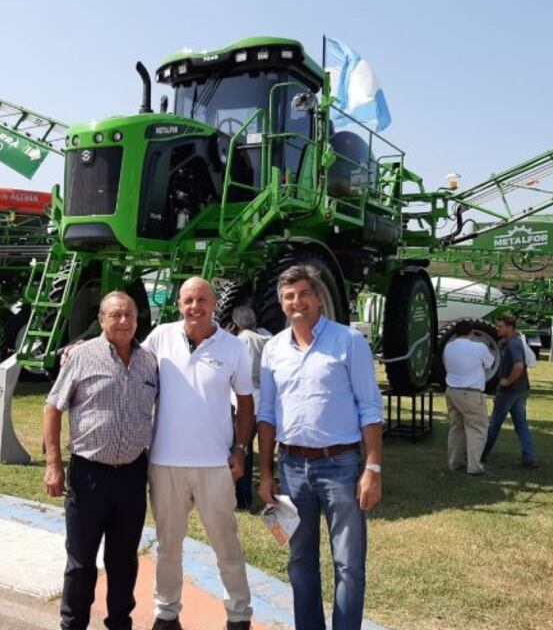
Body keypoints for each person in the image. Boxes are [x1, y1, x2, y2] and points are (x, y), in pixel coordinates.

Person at [257, 264, 383, 630]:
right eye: (289, 296)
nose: (297, 302)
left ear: (318, 298)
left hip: (341, 466)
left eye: (303, 294)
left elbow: (370, 407)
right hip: (292, 467)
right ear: (282, 303)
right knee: (300, 561)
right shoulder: (273, 349)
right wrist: (265, 473)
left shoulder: (348, 342)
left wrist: (372, 469)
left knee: (348, 564)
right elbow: (267, 414)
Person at [143, 277, 255, 630]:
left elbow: (246, 403)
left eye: (202, 299)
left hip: (214, 465)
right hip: (165, 463)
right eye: (188, 300)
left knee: (226, 545)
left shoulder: (233, 347)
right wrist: (80, 348)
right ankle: (166, 613)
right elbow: (126, 360)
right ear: (179, 304)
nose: (195, 306)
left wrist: (241, 449)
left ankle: (239, 615)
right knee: (168, 546)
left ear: (214, 304)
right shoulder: (160, 337)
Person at [43, 291, 159, 630]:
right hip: (89, 475)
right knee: (81, 562)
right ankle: (73, 624)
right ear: (102, 319)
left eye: (129, 315)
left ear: (137, 320)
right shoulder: (82, 356)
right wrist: (53, 465)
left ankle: (120, 623)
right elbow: (52, 408)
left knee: (124, 560)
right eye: (115, 315)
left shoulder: (149, 362)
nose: (123, 321)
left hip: (132, 475)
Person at [482, 313, 538, 467]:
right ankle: (529, 457)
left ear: (510, 327)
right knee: (521, 425)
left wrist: (507, 381)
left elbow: (519, 365)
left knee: (494, 424)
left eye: (500, 326)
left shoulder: (513, 344)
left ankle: (481, 453)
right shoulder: (512, 341)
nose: (497, 328)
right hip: (520, 390)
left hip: (509, 391)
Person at [231, 305, 271, 510]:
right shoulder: (267, 337)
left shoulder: (241, 340)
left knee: (241, 448)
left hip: (245, 398)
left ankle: (242, 497)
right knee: (253, 447)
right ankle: (245, 496)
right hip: (264, 397)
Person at [443, 322, 495, 475]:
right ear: (471, 333)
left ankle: (455, 462)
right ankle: (474, 466)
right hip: (471, 393)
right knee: (477, 429)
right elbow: (490, 363)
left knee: (456, 428)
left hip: (452, 390)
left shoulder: (448, 347)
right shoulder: (479, 347)